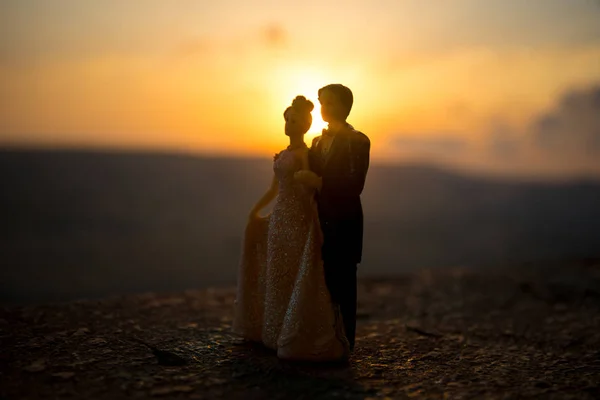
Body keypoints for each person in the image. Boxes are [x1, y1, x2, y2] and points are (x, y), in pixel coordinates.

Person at [233, 96, 349, 361]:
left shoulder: (305, 155)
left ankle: (293, 331)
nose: (288, 124)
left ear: (305, 125)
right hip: (280, 217)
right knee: (277, 272)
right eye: (286, 119)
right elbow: (274, 189)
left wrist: (314, 214)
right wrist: (256, 210)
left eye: (293, 120)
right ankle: (272, 330)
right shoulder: (283, 154)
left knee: (293, 269)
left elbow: (310, 188)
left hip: (298, 217)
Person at [295, 84, 371, 351]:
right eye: (322, 102)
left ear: (345, 106)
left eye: (330, 103)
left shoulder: (358, 140)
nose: (325, 108)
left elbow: (354, 184)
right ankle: (322, 338)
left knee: (344, 282)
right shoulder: (316, 141)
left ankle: (345, 341)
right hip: (318, 221)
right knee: (321, 280)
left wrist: (319, 182)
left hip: (344, 221)